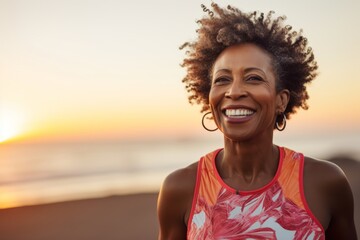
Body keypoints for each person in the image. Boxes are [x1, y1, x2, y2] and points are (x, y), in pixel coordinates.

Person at [157, 3, 357, 240]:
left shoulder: (325, 182)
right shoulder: (180, 189)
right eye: (222, 79)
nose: (234, 91)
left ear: (281, 100)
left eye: (253, 78)